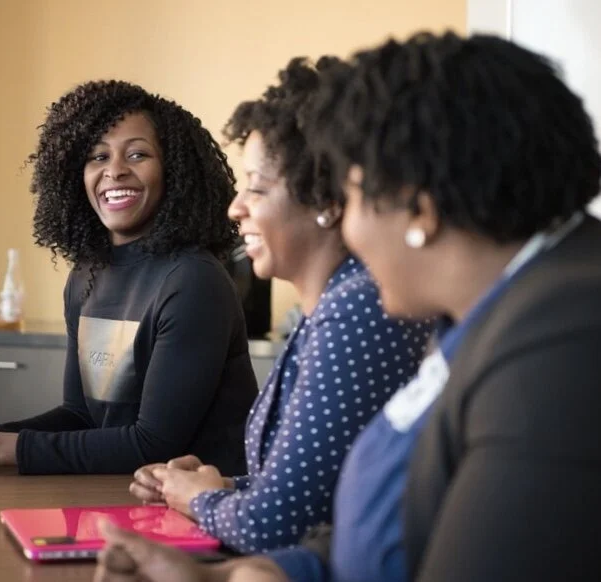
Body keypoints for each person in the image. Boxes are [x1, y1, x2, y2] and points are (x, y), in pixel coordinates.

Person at [93, 31, 601, 582]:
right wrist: (244, 575)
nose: (348, 231)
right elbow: (402, 516)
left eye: (352, 197)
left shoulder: (561, 343)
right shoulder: (498, 312)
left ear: (419, 208)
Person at [126, 58, 431, 554]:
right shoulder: (333, 305)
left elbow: (275, 526)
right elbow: (316, 490)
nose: (235, 207)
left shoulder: (355, 310)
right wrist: (218, 487)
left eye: (257, 187)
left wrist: (199, 499)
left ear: (326, 201)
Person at [0, 80, 258, 475]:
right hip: (117, 490)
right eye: (98, 156)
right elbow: (80, 415)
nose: (114, 171)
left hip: (202, 504)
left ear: (173, 169)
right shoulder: (87, 275)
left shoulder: (193, 281)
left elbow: (153, 444)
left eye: (137, 154)